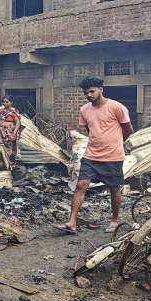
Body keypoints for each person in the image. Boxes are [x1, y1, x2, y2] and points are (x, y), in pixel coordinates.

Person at [54, 77, 133, 234]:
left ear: (101, 89)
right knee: (81, 185)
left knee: (114, 188)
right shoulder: (84, 110)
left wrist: (116, 143)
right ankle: (72, 222)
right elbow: (90, 131)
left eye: (92, 91)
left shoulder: (117, 107)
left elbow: (128, 129)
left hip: (113, 156)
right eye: (85, 92)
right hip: (91, 155)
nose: (89, 95)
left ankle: (115, 220)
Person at [0, 96, 21, 167]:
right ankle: (2, 163)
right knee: (0, 147)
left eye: (7, 102)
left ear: (11, 102)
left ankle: (11, 163)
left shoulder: (13, 111)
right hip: (0, 133)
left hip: (10, 133)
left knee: (10, 148)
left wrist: (14, 133)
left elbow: (18, 123)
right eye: (3, 102)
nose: (4, 103)